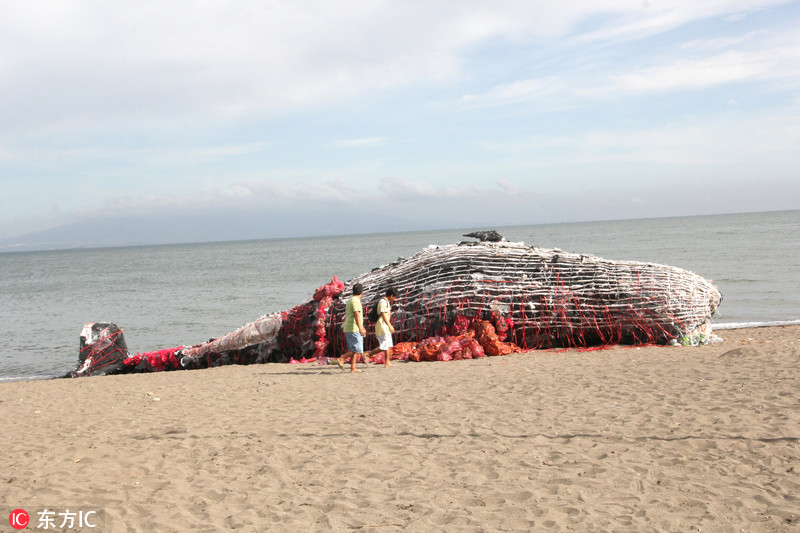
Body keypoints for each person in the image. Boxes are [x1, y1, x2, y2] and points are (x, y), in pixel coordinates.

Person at [336, 283, 367, 373]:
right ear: (362, 292)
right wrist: (361, 328)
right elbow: (356, 314)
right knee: (356, 348)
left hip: (350, 327)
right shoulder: (355, 301)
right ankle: (341, 359)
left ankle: (353, 368)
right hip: (354, 327)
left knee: (353, 348)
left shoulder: (351, 300)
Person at [367, 288, 397, 367]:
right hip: (382, 326)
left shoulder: (386, 302)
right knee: (383, 346)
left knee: (389, 345)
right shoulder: (383, 302)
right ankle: (368, 355)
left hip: (385, 326)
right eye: (394, 297)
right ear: (391, 295)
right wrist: (390, 325)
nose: (394, 299)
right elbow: (383, 314)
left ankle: (387, 363)